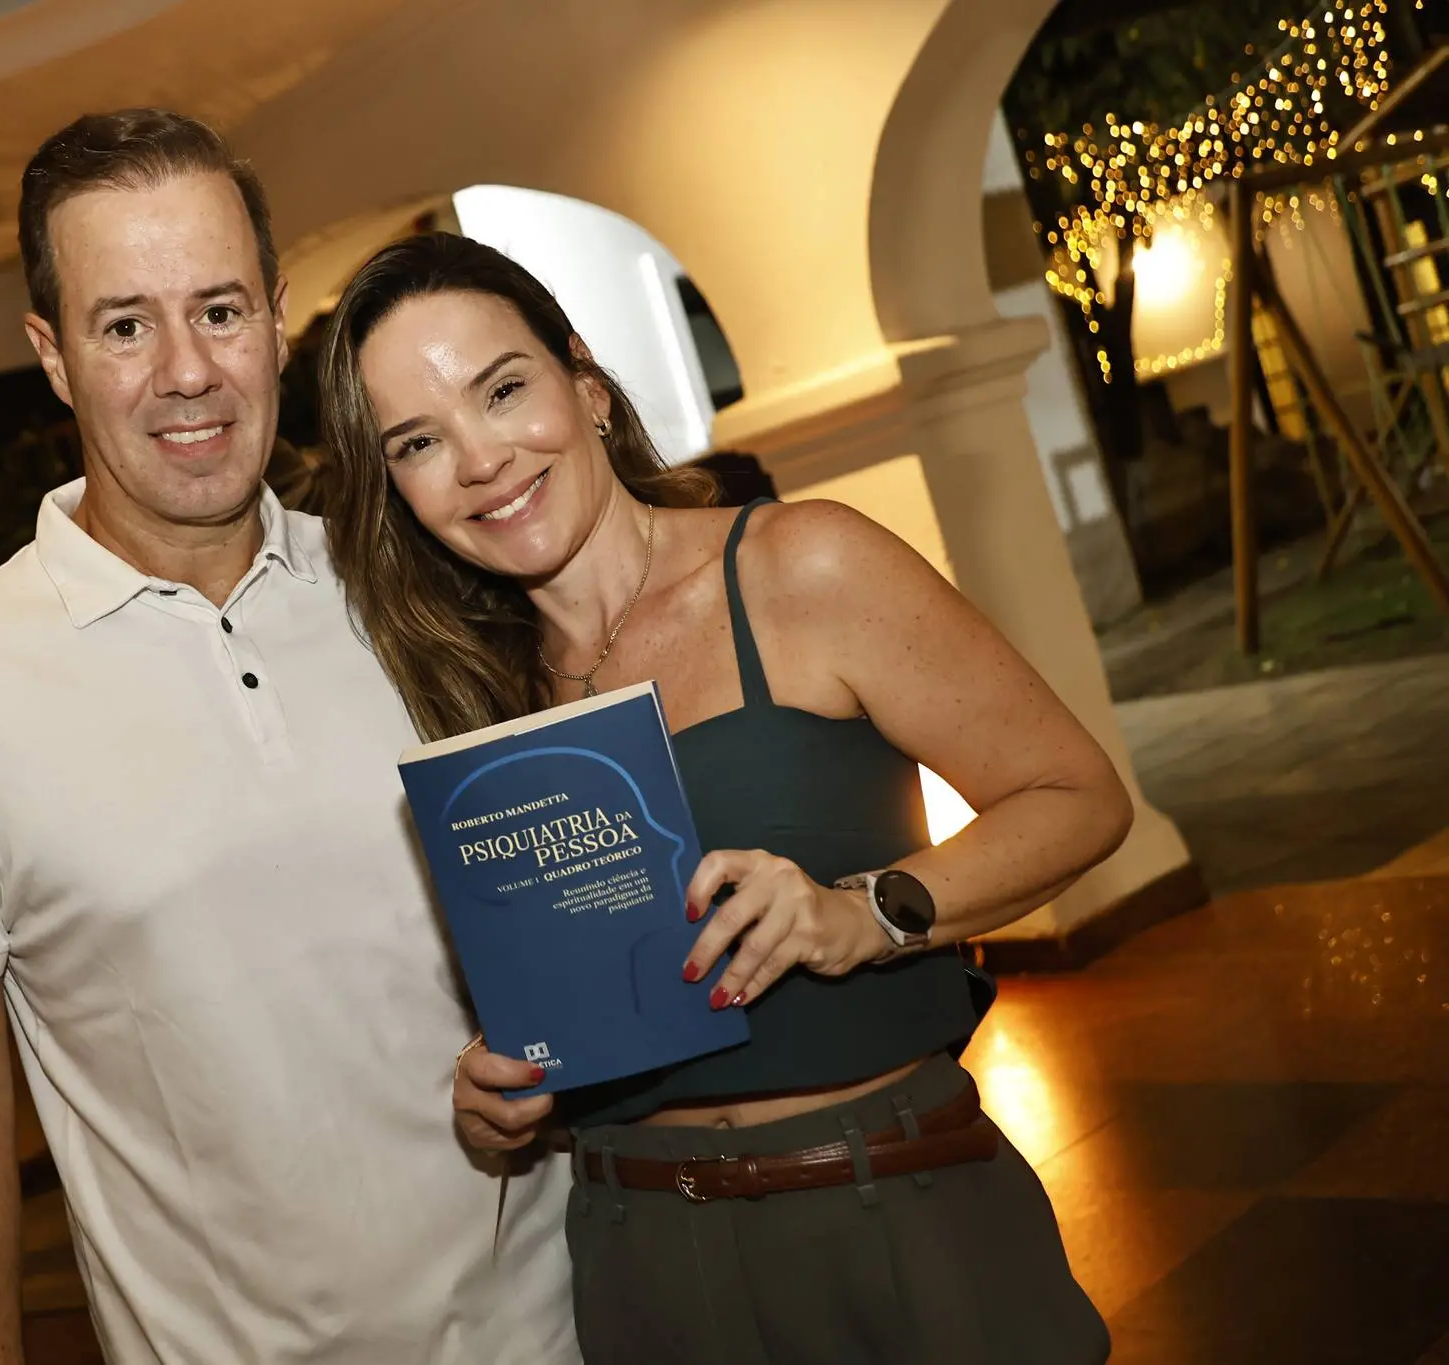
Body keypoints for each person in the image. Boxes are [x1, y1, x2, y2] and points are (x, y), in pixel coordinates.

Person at [0, 111, 576, 1365]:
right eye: (124, 326)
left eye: (219, 311)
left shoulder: (411, 588)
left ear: (276, 320)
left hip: (562, 1323)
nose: (187, 371)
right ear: (53, 355)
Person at [316, 232, 1126, 1365]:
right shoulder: (471, 702)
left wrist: (864, 912)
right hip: (640, 1253)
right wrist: (498, 1091)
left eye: (502, 390)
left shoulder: (799, 567)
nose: (480, 459)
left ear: (587, 385)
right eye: (418, 441)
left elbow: (1077, 797)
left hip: (892, 1209)